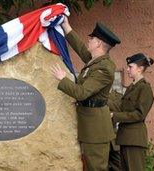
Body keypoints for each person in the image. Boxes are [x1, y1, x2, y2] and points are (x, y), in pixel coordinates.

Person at [51, 16, 121, 170]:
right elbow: (82, 49)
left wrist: (63, 79)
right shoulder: (96, 61)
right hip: (90, 127)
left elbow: (82, 93)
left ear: (98, 43)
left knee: (95, 168)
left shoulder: (104, 68)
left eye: (92, 38)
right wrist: (66, 27)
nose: (89, 41)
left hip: (96, 131)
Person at [108, 53, 154, 171]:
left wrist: (115, 115)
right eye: (127, 67)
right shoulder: (131, 87)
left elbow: (139, 114)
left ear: (140, 69)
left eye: (130, 67)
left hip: (134, 139)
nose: (127, 69)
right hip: (125, 138)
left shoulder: (144, 88)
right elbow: (121, 107)